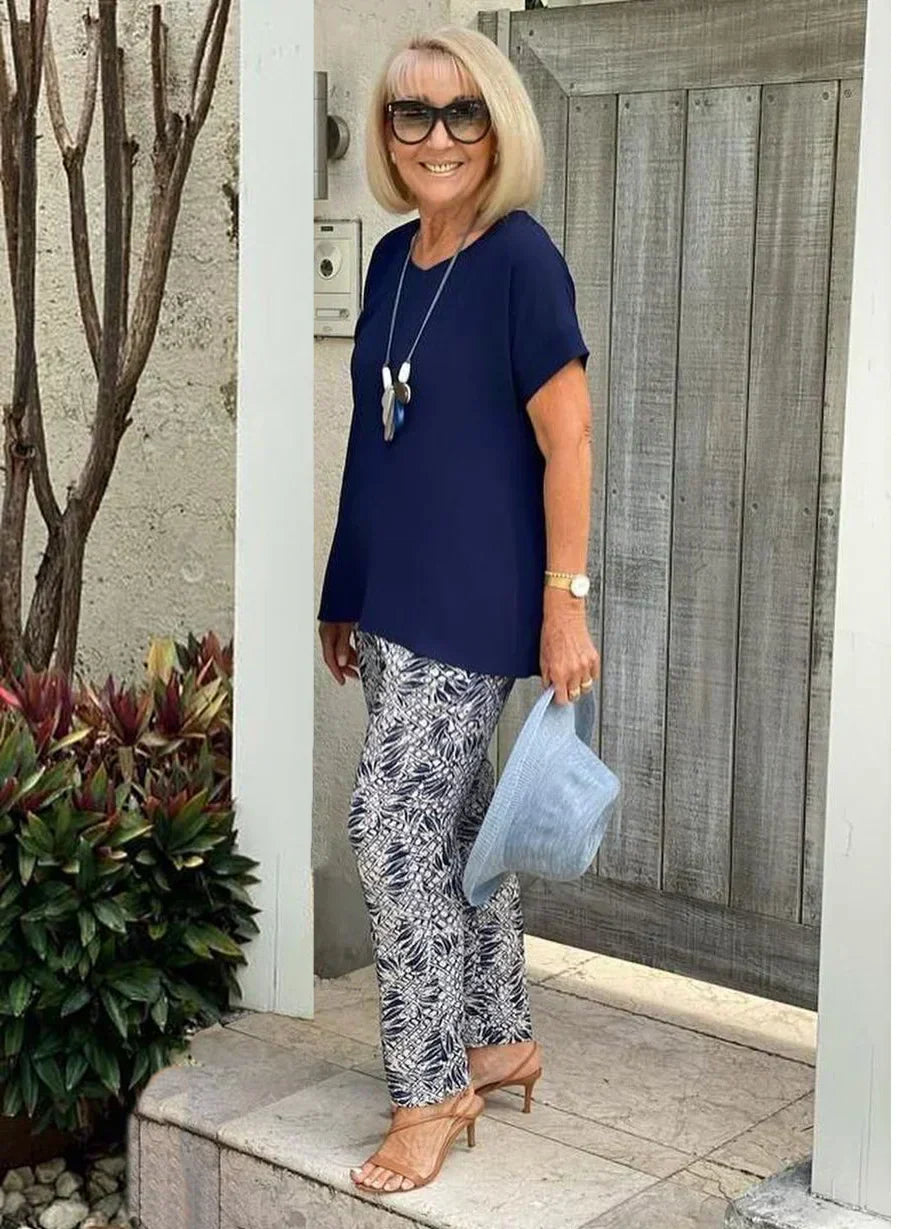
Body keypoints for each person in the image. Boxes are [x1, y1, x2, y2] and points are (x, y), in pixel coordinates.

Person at [317, 24, 600, 1195]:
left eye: (461, 111)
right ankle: (496, 1031)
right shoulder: (392, 261)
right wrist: (343, 586)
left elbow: (569, 439)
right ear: (387, 134)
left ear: (497, 124)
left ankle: (430, 1085)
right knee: (455, 822)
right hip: (393, 598)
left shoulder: (520, 258)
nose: (436, 136)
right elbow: (375, 440)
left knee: (389, 831)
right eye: (411, 113)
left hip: (472, 603)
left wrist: (564, 600)